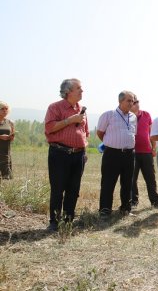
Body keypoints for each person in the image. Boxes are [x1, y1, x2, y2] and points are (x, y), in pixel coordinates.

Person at [44, 78, 88, 231]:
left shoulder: (81, 109)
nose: (82, 91)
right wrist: (70, 120)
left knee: (73, 189)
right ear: (68, 92)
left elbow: (85, 132)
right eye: (79, 88)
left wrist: (85, 152)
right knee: (58, 188)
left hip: (78, 155)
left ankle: (68, 220)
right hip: (60, 154)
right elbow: (49, 128)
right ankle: (54, 222)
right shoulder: (55, 107)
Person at [97, 91, 138, 217]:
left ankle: (126, 208)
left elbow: (133, 133)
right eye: (128, 100)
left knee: (127, 183)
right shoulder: (109, 115)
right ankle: (105, 210)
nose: (131, 103)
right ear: (120, 101)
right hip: (112, 154)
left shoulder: (133, 117)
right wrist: (112, 142)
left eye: (133, 101)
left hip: (129, 154)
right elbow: (100, 132)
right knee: (108, 182)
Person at [130, 99, 158, 209]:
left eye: (137, 102)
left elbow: (151, 133)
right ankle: (133, 201)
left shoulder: (147, 114)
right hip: (132, 152)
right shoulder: (127, 116)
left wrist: (153, 148)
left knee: (150, 178)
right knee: (131, 179)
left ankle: (155, 201)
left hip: (146, 152)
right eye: (133, 103)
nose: (136, 104)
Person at [0, 101, 15, 180]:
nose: (5, 110)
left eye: (6, 109)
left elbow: (13, 136)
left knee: (6, 179)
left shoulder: (10, 122)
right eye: (2, 109)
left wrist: (11, 137)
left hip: (6, 154)